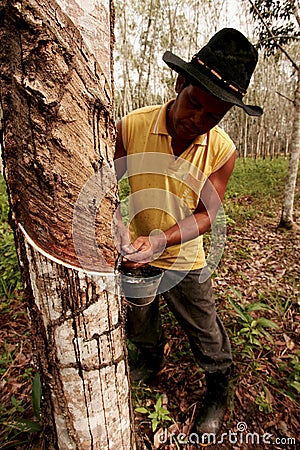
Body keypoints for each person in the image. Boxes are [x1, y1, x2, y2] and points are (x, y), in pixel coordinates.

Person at [114, 28, 263, 442]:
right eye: (194, 103)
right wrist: (121, 232)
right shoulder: (132, 126)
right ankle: (149, 358)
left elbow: (206, 215)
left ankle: (218, 386)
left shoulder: (222, 150)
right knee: (140, 315)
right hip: (134, 249)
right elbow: (109, 188)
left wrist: (161, 241)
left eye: (212, 115)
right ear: (179, 85)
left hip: (186, 258)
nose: (198, 119)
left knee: (204, 326)